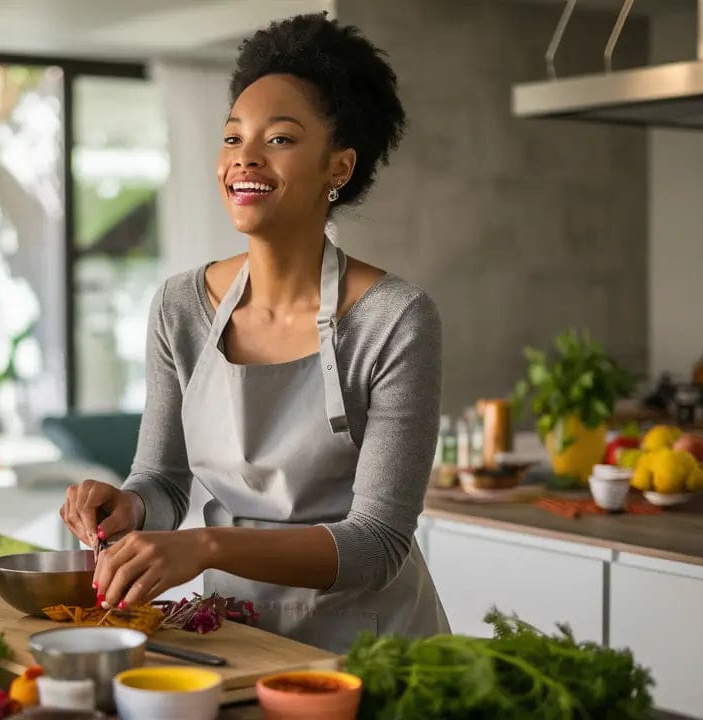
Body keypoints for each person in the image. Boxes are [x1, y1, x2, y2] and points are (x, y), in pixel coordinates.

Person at [59, 12, 448, 652]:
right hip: (236, 637)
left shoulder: (395, 319)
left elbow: (378, 542)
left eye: (281, 139)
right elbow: (161, 480)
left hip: (372, 648)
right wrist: (128, 509)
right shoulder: (179, 307)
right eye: (233, 137)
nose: (245, 158)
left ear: (339, 168)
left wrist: (205, 546)